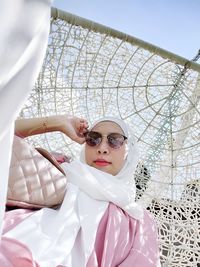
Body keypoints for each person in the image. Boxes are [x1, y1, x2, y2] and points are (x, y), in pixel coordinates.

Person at [2, 115, 161, 267]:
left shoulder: (138, 220)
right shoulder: (60, 168)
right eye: (93, 139)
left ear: (130, 151)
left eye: (115, 140)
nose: (102, 149)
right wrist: (57, 122)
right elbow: (4, 135)